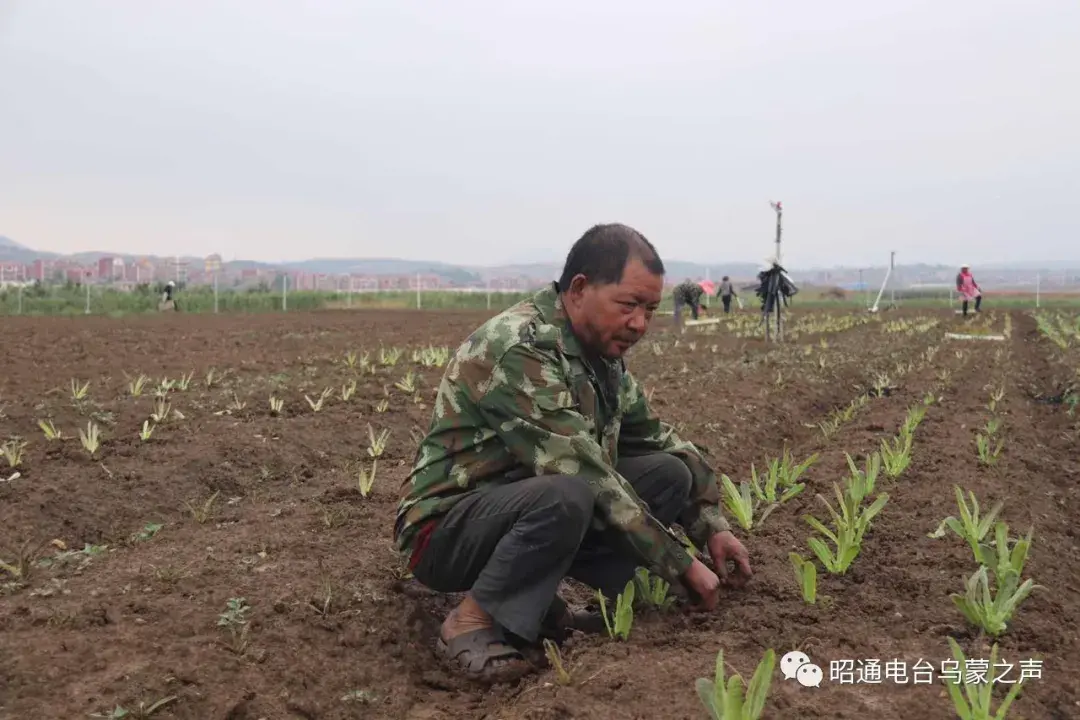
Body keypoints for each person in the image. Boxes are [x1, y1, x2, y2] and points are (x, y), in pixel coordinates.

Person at [393, 223, 751, 684]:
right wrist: (681, 566)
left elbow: (658, 438)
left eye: (650, 310)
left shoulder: (601, 357)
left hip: (519, 506)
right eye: (628, 305)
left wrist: (711, 527)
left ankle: (540, 606)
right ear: (579, 288)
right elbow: (583, 473)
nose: (640, 324)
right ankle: (471, 622)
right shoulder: (519, 348)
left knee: (668, 472)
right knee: (569, 494)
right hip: (446, 530)